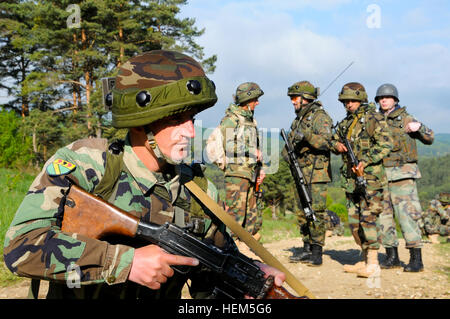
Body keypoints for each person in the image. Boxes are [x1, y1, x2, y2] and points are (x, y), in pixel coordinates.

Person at [3, 50, 284, 299]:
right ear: (141, 123)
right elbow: (21, 247)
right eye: (176, 120)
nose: (190, 131)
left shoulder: (198, 190)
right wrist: (125, 262)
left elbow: (213, 270)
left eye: (192, 119)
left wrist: (252, 278)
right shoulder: (88, 166)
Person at [330, 82, 393, 278]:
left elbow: (386, 143)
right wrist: (337, 146)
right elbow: (333, 139)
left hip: (370, 179)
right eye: (346, 101)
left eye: (352, 100)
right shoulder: (347, 122)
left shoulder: (373, 118)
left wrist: (366, 160)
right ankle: (365, 259)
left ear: (361, 99)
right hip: (351, 180)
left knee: (368, 219)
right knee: (354, 222)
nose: (348, 104)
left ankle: (373, 264)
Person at [375, 83, 434, 272]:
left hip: (402, 175)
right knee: (383, 218)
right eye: (380, 98)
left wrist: (419, 127)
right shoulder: (374, 120)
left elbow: (430, 137)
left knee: (407, 216)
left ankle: (416, 259)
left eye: (387, 97)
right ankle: (391, 256)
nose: (383, 100)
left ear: (395, 100)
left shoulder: (406, 118)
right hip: (381, 176)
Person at [283, 81, 333, 266]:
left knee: (316, 212)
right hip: (300, 170)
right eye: (292, 98)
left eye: (295, 98)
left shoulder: (320, 117)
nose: (293, 102)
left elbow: (326, 142)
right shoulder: (298, 120)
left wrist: (307, 137)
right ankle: (306, 247)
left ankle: (317, 250)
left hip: (316, 172)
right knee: (301, 211)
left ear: (306, 98)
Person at [214, 82, 266, 241]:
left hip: (250, 173)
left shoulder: (249, 120)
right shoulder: (231, 119)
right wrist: (252, 151)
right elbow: (229, 145)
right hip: (236, 174)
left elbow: (256, 148)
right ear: (247, 99)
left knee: (251, 216)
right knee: (236, 216)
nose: (257, 102)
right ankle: (228, 250)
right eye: (255, 99)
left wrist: (261, 169)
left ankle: (245, 252)